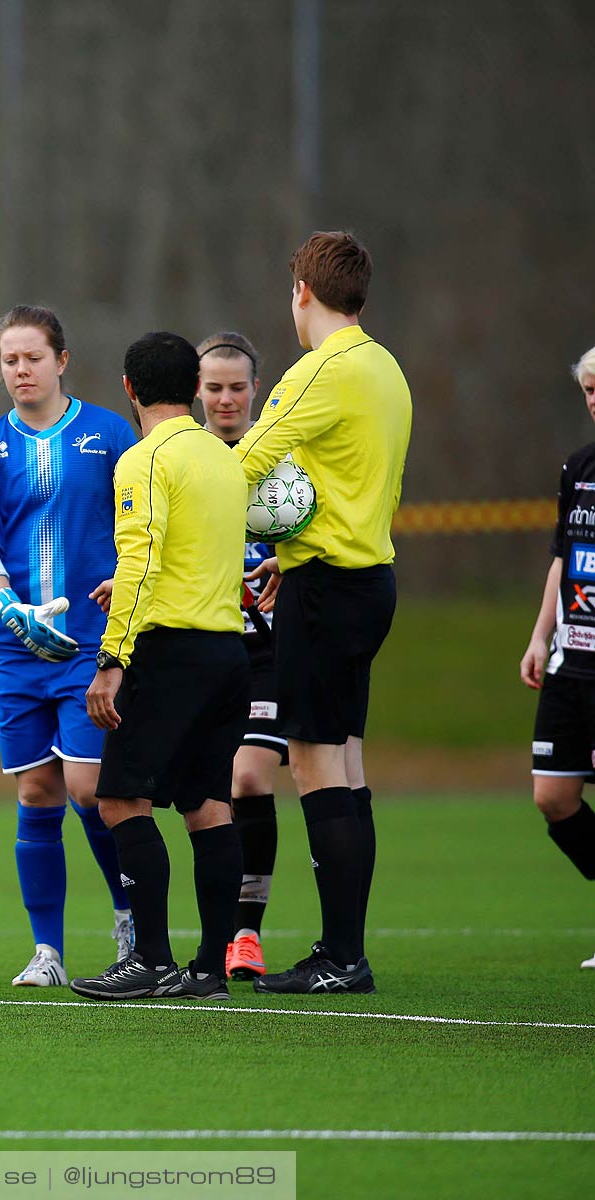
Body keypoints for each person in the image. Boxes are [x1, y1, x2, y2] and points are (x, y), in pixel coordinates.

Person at [233, 232, 411, 995]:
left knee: (312, 760)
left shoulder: (318, 371)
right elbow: (346, 484)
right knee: (345, 759)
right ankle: (345, 949)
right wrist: (290, 546)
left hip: (326, 592)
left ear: (302, 291)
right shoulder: (385, 368)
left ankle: (341, 958)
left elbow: (241, 463)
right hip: (364, 579)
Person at [70, 332, 249, 1001]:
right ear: (198, 387)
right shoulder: (224, 458)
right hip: (227, 654)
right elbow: (190, 552)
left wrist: (111, 661)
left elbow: (141, 557)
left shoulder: (144, 460)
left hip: (169, 652)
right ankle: (208, 968)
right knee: (207, 806)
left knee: (118, 798)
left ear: (128, 388)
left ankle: (148, 957)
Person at [0, 305, 137, 989]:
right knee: (38, 792)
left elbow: (138, 530)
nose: (20, 370)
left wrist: (125, 586)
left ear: (62, 361)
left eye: (32, 357)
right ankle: (47, 951)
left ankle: (129, 914)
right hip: (13, 645)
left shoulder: (107, 433)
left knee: (88, 787)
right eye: (9, 360)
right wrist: (5, 604)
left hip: (88, 644)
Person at [194, 332, 287, 981]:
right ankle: (211, 937)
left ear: (256, 388)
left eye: (237, 386)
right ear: (197, 392)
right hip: (202, 650)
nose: (226, 398)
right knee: (205, 796)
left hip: (271, 655)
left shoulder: (283, 461)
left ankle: (245, 934)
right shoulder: (183, 460)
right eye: (215, 387)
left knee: (249, 779)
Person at [520, 343, 595, 969]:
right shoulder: (578, 468)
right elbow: (562, 560)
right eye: (589, 392)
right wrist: (540, 635)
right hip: (573, 661)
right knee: (554, 796)